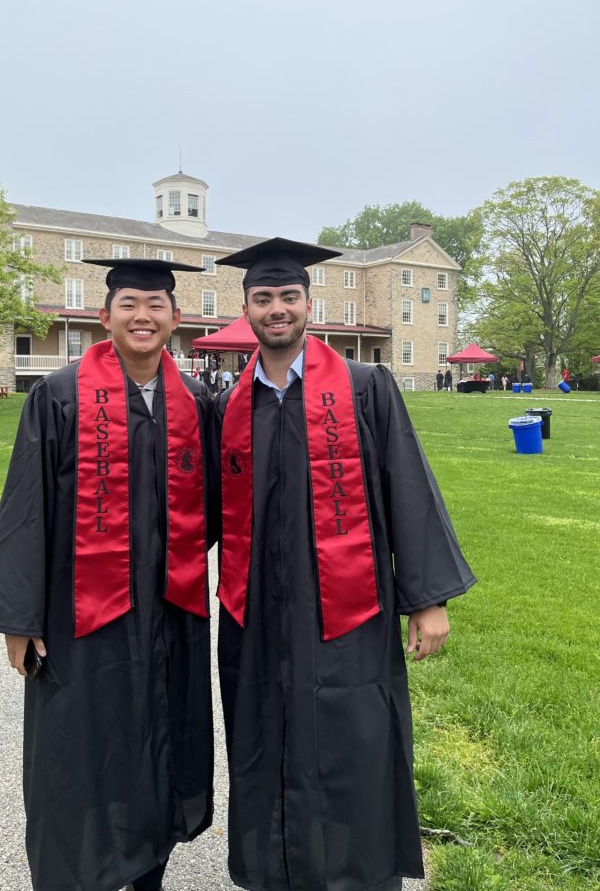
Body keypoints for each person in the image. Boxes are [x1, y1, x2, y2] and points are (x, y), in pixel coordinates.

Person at [211, 237, 476, 891]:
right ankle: (278, 869)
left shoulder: (364, 388)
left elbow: (406, 483)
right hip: (259, 613)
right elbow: (197, 512)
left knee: (353, 733)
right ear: (246, 307)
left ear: (309, 303)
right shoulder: (228, 406)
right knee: (264, 734)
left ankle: (356, 873)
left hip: (348, 610)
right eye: (264, 298)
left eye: (289, 296)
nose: (277, 308)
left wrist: (428, 598)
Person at [0, 257, 214, 891]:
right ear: (104, 315)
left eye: (157, 305)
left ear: (176, 317)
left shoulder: (195, 402)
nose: (144, 316)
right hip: (79, 610)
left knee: (159, 735)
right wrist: (18, 619)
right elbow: (25, 508)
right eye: (130, 304)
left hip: (169, 608)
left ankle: (147, 873)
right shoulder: (58, 396)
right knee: (79, 747)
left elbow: (215, 507)